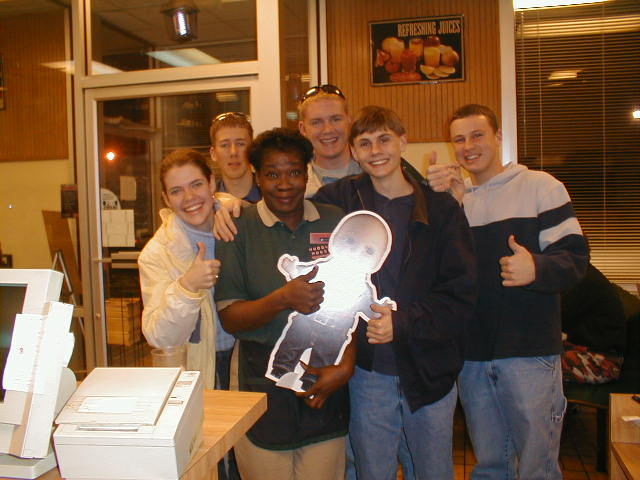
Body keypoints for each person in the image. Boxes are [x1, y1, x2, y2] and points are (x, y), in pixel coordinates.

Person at [311, 105, 477, 479]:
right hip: (369, 373)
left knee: (432, 471)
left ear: (403, 141)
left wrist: (401, 323)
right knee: (374, 471)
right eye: (365, 143)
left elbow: (461, 293)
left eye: (385, 139)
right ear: (354, 152)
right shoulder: (337, 201)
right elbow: (284, 207)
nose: (376, 150)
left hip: (429, 369)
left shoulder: (441, 209)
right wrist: (227, 204)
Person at [428, 104, 589, 480]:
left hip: (530, 352)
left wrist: (538, 267)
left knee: (538, 467)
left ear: (499, 137)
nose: (469, 146)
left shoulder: (540, 186)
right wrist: (445, 205)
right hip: (473, 355)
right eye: (459, 139)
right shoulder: (458, 198)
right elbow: (441, 273)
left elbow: (576, 258)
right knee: (489, 465)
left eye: (478, 135)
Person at [214, 128, 352, 480]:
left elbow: (354, 302)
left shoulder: (333, 220)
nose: (285, 183)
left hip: (325, 376)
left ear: (307, 172)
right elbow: (231, 318)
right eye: (272, 174)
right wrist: (282, 299)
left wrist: (347, 365)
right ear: (257, 177)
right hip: (259, 378)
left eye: (293, 171)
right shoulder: (238, 228)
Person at [138, 148, 222, 389]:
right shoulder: (157, 253)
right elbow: (160, 338)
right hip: (198, 369)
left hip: (246, 362)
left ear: (212, 183)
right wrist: (187, 287)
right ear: (166, 199)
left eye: (196, 184)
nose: (189, 197)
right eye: (176, 191)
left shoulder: (239, 224)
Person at [561, 262, 626, 384]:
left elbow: (557, 318)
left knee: (534, 364)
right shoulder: (580, 273)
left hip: (604, 362)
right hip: (588, 349)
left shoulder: (582, 279)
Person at [209, 111, 261, 203]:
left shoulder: (272, 197)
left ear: (252, 149)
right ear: (213, 154)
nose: (233, 152)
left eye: (240, 144)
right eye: (225, 145)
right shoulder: (207, 203)